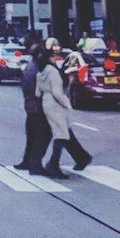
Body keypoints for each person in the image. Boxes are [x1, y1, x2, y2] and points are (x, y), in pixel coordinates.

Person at [36, 47, 90, 179]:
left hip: (45, 102)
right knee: (61, 134)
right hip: (55, 104)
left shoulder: (41, 72)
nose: (56, 58)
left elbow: (37, 92)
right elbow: (57, 93)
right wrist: (67, 104)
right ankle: (53, 165)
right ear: (49, 58)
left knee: (63, 131)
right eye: (53, 56)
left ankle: (81, 157)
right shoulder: (53, 72)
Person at [17, 44, 50, 174]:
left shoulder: (29, 67)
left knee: (32, 137)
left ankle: (27, 161)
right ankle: (34, 164)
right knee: (42, 137)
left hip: (30, 107)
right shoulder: (37, 70)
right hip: (38, 107)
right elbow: (39, 90)